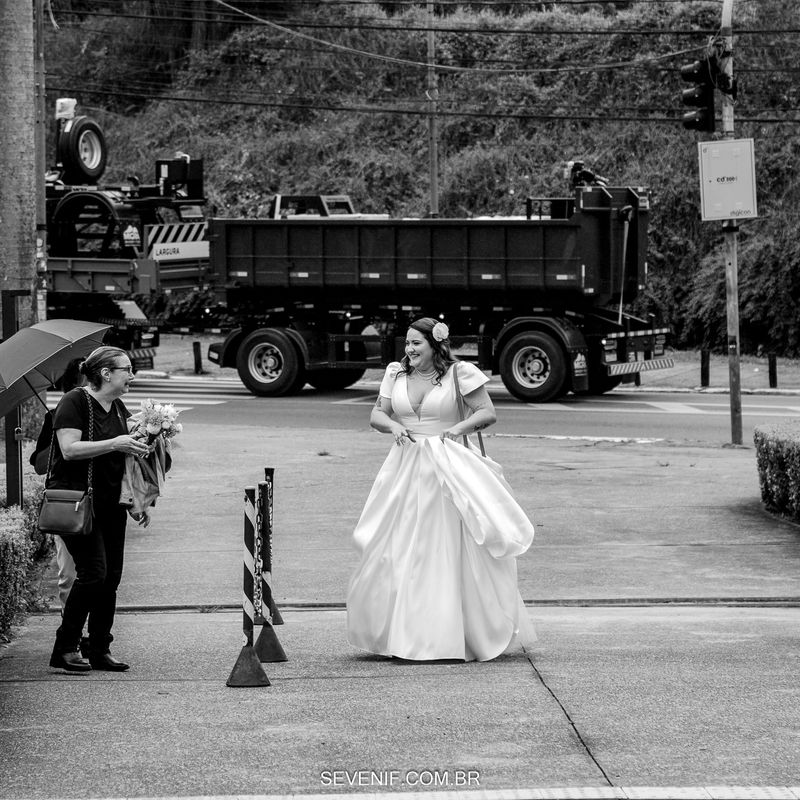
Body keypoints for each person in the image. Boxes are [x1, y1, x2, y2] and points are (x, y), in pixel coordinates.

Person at [346, 317, 535, 662]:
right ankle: (402, 632)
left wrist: (455, 429)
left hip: (447, 465)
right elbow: (377, 414)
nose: (409, 350)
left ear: (435, 345)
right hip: (406, 466)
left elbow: (486, 413)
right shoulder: (395, 373)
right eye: (407, 343)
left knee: (443, 544)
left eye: (416, 343)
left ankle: (451, 633)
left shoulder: (459, 373)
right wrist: (392, 427)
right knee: (398, 544)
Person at [47, 346, 151, 672]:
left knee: (111, 578)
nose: (132, 376)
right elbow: (68, 449)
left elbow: (119, 462)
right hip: (79, 504)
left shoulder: (117, 406)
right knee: (94, 574)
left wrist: (135, 501)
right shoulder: (74, 402)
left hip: (110, 505)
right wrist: (115, 442)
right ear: (106, 373)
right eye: (127, 369)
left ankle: (99, 648)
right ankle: (65, 648)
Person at [30, 358, 85, 617]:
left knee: (99, 574)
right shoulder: (55, 416)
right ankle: (71, 633)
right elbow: (40, 465)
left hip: (98, 500)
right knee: (70, 573)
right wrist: (60, 443)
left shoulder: (108, 411)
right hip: (67, 501)